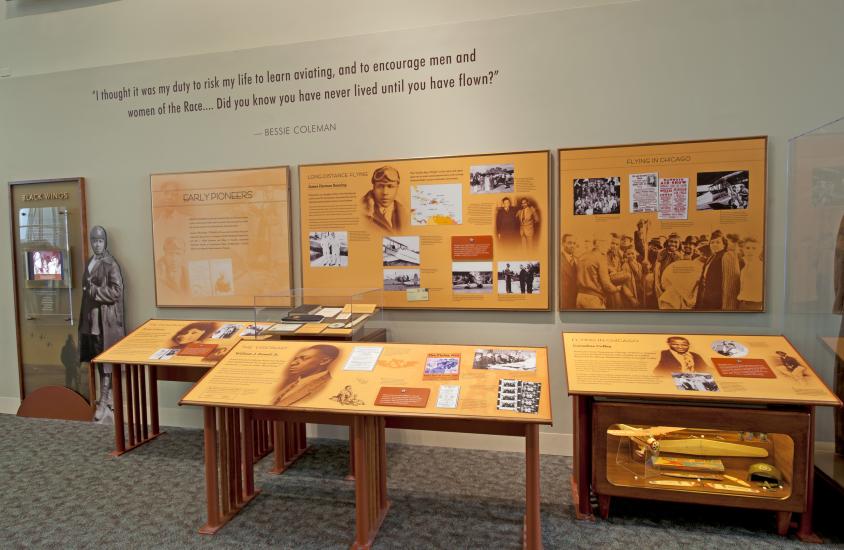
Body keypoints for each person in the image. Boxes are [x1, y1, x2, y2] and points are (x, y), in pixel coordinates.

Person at [78, 226, 125, 424]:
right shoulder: (91, 261)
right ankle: (106, 400)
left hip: (104, 321)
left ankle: (104, 401)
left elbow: (116, 292)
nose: (97, 244)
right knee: (97, 358)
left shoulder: (111, 264)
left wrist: (95, 291)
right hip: (91, 320)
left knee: (105, 360)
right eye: (94, 241)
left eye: (100, 241)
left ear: (105, 242)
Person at [274, 345, 341, 406]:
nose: (293, 363)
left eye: (303, 358)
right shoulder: (294, 384)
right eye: (295, 359)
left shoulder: (328, 386)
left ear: (324, 360)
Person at [575, 238, 625, 309]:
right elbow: (606, 285)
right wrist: (617, 289)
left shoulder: (582, 256)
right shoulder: (601, 258)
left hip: (579, 297)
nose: (609, 247)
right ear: (603, 245)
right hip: (593, 299)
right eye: (608, 244)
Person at [361, 165, 407, 233]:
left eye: (390, 186)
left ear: (397, 188)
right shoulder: (362, 211)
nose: (385, 192)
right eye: (380, 186)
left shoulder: (405, 212)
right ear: (373, 187)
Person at [737, 237, 763, 310]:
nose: (750, 251)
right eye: (747, 248)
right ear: (743, 250)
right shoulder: (744, 268)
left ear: (760, 250)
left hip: (755, 306)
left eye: (754, 248)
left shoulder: (761, 267)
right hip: (742, 305)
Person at [561, 234, 578, 308]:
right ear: (563, 244)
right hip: (564, 301)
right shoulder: (557, 259)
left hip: (575, 300)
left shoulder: (577, 260)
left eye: (574, 243)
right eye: (569, 243)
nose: (572, 246)